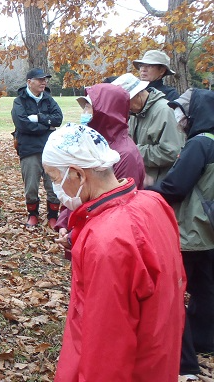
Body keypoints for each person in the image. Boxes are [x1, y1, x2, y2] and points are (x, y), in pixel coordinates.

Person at [42, 124, 185, 382]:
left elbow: (107, 344)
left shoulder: (106, 241)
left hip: (131, 368)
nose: (54, 189)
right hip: (157, 356)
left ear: (77, 174)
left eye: (54, 179)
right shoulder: (154, 203)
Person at [148, 88, 214, 379]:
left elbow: (176, 186)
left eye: (182, 113)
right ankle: (205, 340)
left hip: (191, 229)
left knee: (172, 292)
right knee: (206, 289)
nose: (179, 118)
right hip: (208, 229)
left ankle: (184, 360)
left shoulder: (199, 143)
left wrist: (146, 191)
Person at [55, 83, 146, 253]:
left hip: (107, 246)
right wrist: (64, 222)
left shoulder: (124, 154)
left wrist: (74, 234)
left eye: (88, 107)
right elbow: (75, 187)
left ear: (105, 111)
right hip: (84, 234)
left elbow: (115, 210)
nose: (84, 113)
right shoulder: (91, 144)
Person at [11, 67, 63, 228]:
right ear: (29, 82)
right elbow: (23, 125)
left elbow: (58, 119)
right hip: (29, 150)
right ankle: (32, 215)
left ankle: (53, 216)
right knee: (31, 187)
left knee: (53, 185)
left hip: (49, 150)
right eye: (40, 79)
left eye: (45, 79)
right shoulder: (19, 101)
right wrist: (46, 127)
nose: (44, 82)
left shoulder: (48, 99)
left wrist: (39, 118)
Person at [111, 73, 184, 184]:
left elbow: (172, 152)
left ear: (137, 94)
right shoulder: (136, 113)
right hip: (145, 182)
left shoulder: (164, 111)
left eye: (126, 102)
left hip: (161, 184)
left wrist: (133, 151)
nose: (125, 107)